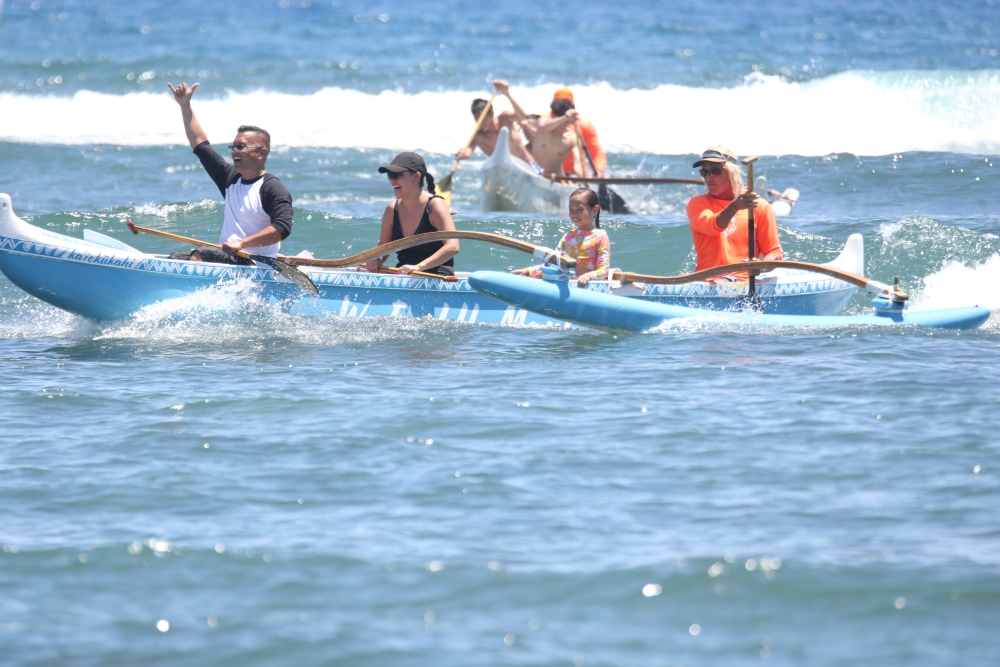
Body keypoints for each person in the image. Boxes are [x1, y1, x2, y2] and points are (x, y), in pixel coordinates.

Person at [166, 82, 293, 265]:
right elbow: (201, 145)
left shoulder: (272, 188)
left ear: (261, 152)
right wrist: (184, 105)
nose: (234, 151)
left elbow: (282, 229)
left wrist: (242, 243)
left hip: (256, 263)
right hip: (229, 260)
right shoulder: (231, 179)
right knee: (177, 258)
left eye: (241, 147)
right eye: (233, 147)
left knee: (202, 254)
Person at [685, 146, 783, 280]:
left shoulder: (760, 206)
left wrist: (761, 267)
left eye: (714, 172)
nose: (708, 178)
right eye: (704, 173)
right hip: (707, 282)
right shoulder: (697, 204)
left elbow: (774, 252)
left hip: (745, 283)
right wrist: (735, 206)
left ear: (732, 172)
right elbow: (712, 226)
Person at [365, 152, 459, 276]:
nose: (392, 181)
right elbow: (383, 249)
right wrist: (376, 259)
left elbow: (452, 247)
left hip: (437, 277)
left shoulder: (435, 205)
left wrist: (419, 267)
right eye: (390, 175)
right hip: (404, 275)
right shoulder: (392, 209)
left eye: (397, 175)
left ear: (416, 177)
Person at [513, 188, 609, 286]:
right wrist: (529, 271)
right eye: (571, 209)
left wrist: (588, 276)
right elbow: (553, 264)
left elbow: (604, 270)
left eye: (579, 209)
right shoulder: (568, 237)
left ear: (595, 210)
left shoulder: (600, 236)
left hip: (586, 287)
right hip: (564, 284)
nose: (574, 214)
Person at [455, 79, 538, 168]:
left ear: (491, 114)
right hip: (506, 170)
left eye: (483, 121)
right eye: (477, 122)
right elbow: (468, 151)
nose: (481, 125)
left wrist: (507, 93)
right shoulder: (479, 136)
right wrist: (463, 154)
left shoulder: (505, 119)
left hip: (529, 166)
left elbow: (523, 117)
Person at [547, 88, 606, 177]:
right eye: (558, 107)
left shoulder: (584, 125)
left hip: (574, 176)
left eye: (565, 107)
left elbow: (596, 153)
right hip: (547, 173)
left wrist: (599, 171)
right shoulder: (542, 122)